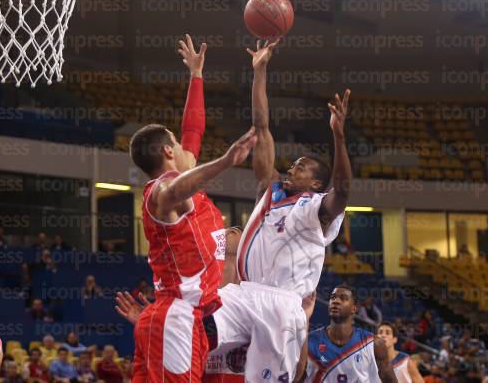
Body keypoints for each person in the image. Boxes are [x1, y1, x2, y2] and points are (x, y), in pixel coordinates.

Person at [128, 34, 257, 382]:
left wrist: (196, 76)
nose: (189, 147)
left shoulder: (183, 184)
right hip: (176, 315)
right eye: (178, 145)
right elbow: (178, 186)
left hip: (191, 318)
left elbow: (193, 128)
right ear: (169, 152)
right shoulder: (161, 192)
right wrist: (227, 161)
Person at [221, 39, 350, 381]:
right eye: (292, 164)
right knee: (192, 330)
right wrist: (259, 70)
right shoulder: (269, 187)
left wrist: (338, 137)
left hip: (282, 305)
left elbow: (344, 190)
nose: (293, 167)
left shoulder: (315, 209)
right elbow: (262, 128)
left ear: (316, 183)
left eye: (302, 166)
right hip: (243, 293)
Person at [115, 226, 317, 382]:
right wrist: (158, 328)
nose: (232, 233)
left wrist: (302, 322)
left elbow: (295, 374)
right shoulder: (194, 306)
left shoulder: (265, 308)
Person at [296, 285, 398, 382]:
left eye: (343, 298)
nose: (336, 301)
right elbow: (296, 379)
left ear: (354, 308)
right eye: (333, 297)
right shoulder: (309, 341)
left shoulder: (374, 344)